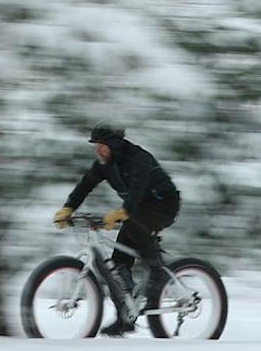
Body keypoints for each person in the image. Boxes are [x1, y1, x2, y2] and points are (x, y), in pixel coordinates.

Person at [54, 123, 181, 336]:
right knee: (118, 264)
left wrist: (123, 211)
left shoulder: (138, 158)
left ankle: (158, 273)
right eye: (97, 145)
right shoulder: (105, 164)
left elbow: (138, 190)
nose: (98, 150)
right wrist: (68, 208)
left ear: (114, 144)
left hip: (164, 205)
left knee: (134, 224)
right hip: (136, 210)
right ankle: (125, 316)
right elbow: (86, 185)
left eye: (102, 145)